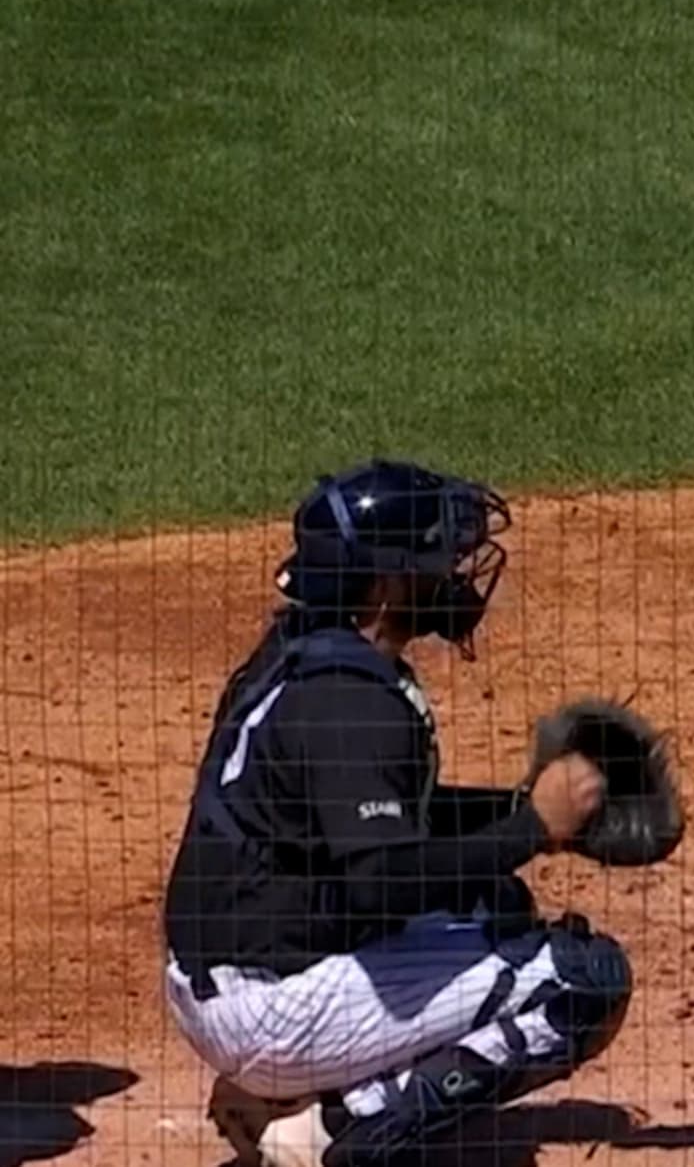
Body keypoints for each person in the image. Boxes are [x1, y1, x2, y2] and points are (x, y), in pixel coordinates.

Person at [160, 459, 624, 1166]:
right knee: (583, 980)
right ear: (384, 585)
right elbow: (382, 882)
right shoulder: (350, 701)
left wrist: (534, 816)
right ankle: (329, 1131)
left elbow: (386, 821)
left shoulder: (297, 653)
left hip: (236, 968)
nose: (455, 573)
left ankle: (273, 1096)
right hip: (267, 1009)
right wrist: (530, 828)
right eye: (435, 559)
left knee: (496, 901)